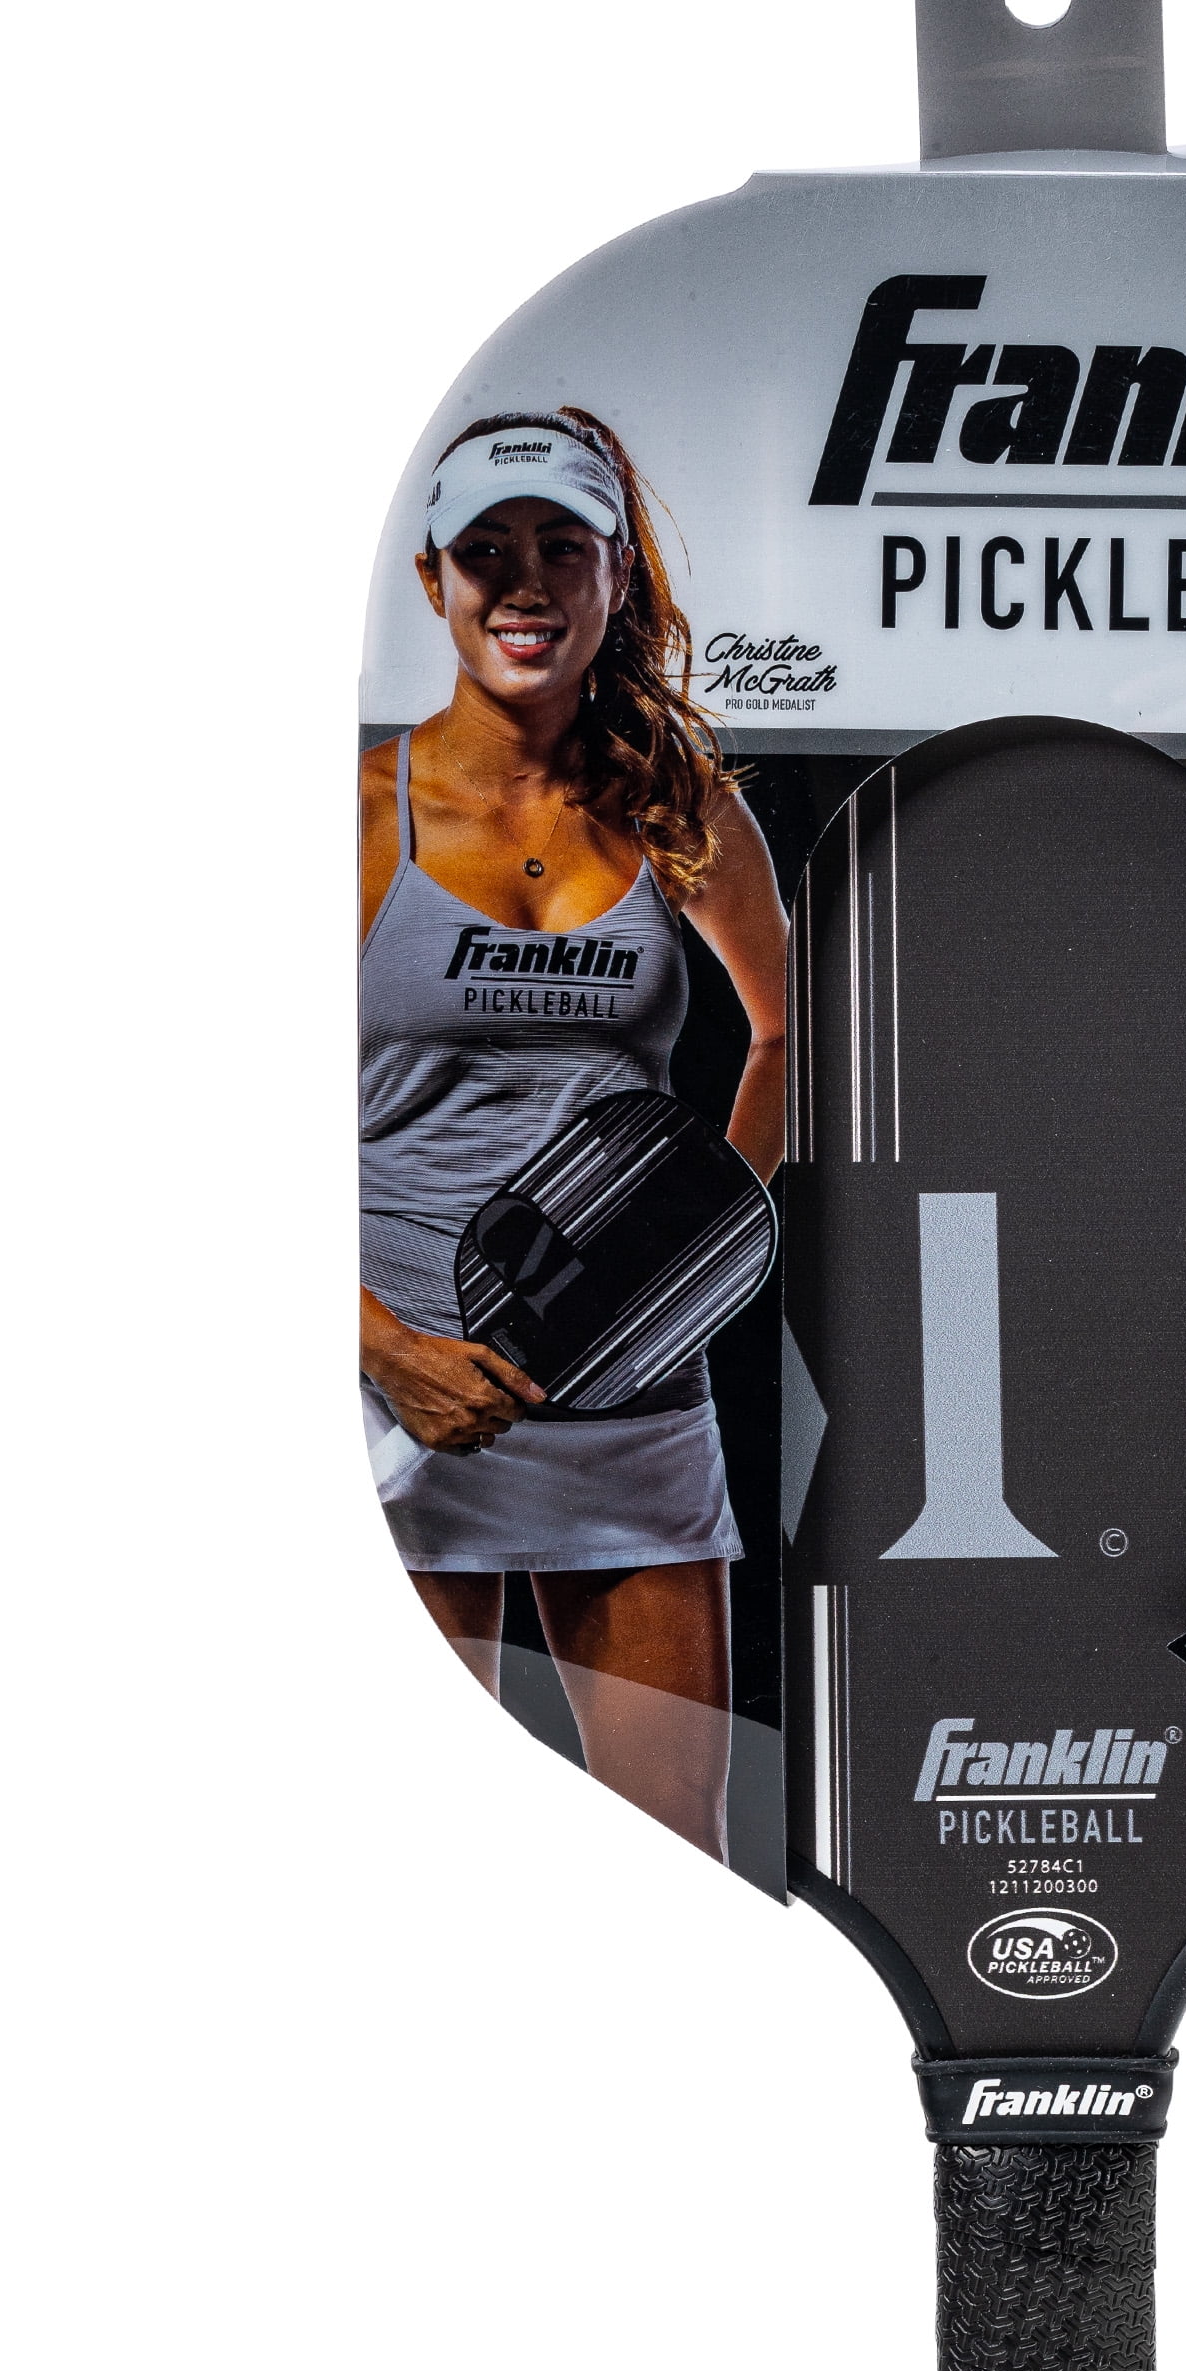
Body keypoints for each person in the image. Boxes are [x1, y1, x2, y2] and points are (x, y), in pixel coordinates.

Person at [359, 408, 787, 1859]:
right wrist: (382, 1349)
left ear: (617, 575)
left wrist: (688, 1263)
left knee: (679, 1840)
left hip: (628, 1402)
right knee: (417, 1841)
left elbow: (789, 1034)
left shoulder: (677, 804)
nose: (524, 583)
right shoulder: (358, 816)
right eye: (487, 552)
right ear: (434, 580)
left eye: (561, 546)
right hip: (400, 1404)